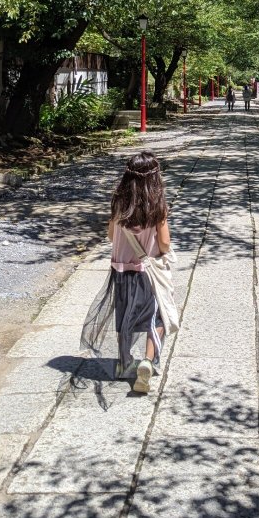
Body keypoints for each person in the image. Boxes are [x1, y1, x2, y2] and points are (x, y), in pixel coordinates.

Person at [81, 150, 174, 393]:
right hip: (146, 272)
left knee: (125, 319)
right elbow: (164, 243)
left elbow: (111, 235)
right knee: (159, 317)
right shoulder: (158, 206)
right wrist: (160, 248)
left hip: (120, 271)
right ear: (155, 177)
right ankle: (147, 361)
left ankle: (124, 363)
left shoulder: (119, 202)